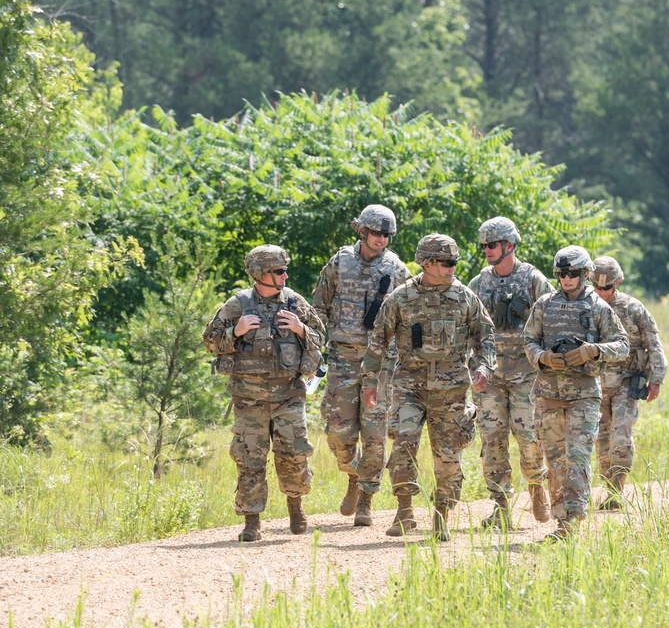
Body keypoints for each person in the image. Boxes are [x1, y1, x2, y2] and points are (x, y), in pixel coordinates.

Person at [361, 234, 497, 541]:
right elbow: (379, 340)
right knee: (403, 445)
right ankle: (405, 512)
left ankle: (441, 516)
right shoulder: (401, 297)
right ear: (427, 263)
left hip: (451, 390)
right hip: (410, 386)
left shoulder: (465, 297)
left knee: (448, 456)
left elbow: (485, 337)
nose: (452, 268)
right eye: (446, 263)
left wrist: (484, 366)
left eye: (454, 263)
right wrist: (370, 380)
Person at [203, 245, 325, 542]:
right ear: (260, 274)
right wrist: (236, 332)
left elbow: (321, 337)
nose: (285, 275)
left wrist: (300, 330)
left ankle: (295, 505)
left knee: (294, 455)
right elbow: (209, 341)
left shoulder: (296, 303)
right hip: (249, 398)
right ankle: (252, 520)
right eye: (278, 271)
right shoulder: (237, 306)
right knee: (249, 459)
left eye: (285, 270)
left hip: (289, 395)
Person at [312, 204, 410, 527]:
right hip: (342, 358)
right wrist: (312, 353)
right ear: (362, 231)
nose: (381, 239)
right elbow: (318, 309)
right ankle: (354, 472)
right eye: (376, 233)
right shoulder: (340, 263)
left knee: (375, 433)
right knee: (338, 433)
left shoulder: (396, 270)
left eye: (387, 234)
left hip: (381, 364)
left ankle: (366, 498)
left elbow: (412, 313)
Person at [523, 246, 628, 540]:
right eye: (561, 274)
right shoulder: (544, 305)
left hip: (583, 394)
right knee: (555, 460)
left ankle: (574, 520)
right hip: (548, 394)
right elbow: (529, 339)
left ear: (584, 274)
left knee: (578, 457)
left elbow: (622, 345)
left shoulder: (598, 308)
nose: (566, 279)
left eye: (572, 274)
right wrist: (543, 357)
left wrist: (594, 350)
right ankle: (561, 519)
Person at [467, 217, 553, 529]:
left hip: (527, 375)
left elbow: (554, 313)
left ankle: (536, 486)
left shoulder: (532, 278)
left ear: (509, 246)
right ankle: (501, 505)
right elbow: (467, 324)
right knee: (492, 440)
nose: (487, 250)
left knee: (529, 437)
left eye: (492, 245)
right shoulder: (479, 283)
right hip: (490, 375)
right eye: (484, 246)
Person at [590, 256, 668, 510]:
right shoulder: (584, 306)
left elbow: (653, 343)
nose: (601, 293)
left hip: (626, 381)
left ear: (618, 283)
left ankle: (616, 491)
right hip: (595, 384)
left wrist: (656, 379)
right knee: (602, 441)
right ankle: (608, 487)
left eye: (607, 288)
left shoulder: (633, 308)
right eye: (596, 287)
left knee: (621, 435)